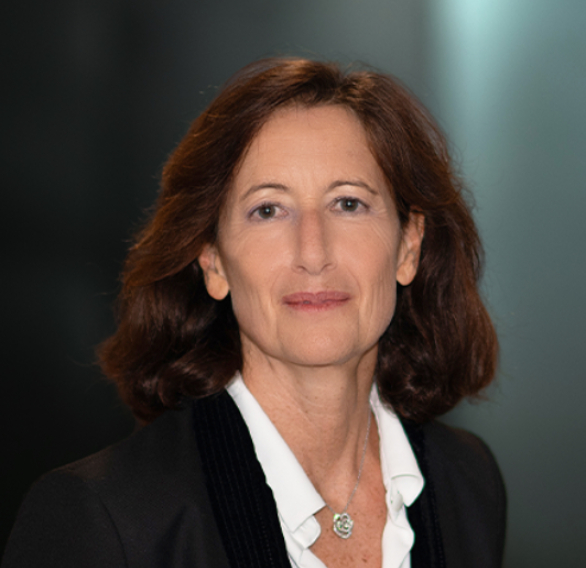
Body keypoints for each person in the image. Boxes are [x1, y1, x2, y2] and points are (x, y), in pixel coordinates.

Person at [2, 58, 506, 568]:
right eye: (268, 210)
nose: (313, 252)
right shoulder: (103, 519)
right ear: (213, 261)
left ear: (409, 247)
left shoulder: (467, 482)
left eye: (348, 204)